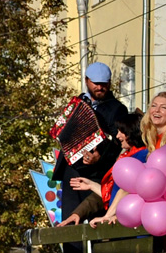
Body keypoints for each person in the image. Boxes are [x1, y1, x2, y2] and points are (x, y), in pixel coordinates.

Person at [56, 62, 131, 226]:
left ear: (110, 83)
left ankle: (99, 252)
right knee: (69, 221)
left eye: (104, 84)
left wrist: (99, 157)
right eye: (95, 83)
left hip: (97, 172)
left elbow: (118, 143)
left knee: (95, 224)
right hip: (71, 169)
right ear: (86, 81)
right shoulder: (77, 103)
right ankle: (72, 252)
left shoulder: (117, 109)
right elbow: (63, 129)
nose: (100, 87)